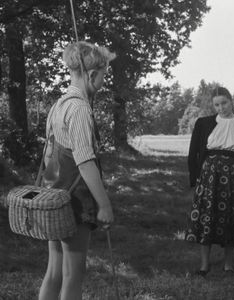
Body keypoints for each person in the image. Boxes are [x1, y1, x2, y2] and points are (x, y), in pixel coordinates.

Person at [38, 41, 115, 300]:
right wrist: (103, 205)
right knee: (74, 274)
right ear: (92, 75)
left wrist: (49, 192)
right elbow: (84, 161)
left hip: (55, 197)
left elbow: (49, 156)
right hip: (74, 200)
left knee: (55, 271)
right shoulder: (80, 108)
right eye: (104, 74)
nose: (104, 80)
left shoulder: (59, 105)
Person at [185, 86, 234, 276]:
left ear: (231, 101)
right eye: (217, 105)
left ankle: (228, 264)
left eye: (224, 103)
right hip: (209, 175)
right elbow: (193, 153)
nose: (221, 108)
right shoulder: (204, 123)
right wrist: (195, 179)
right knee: (207, 215)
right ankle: (204, 265)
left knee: (231, 216)